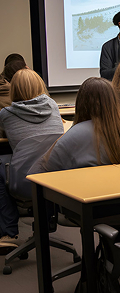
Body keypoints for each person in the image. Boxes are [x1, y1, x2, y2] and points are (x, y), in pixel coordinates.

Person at [32, 77, 120, 173]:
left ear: (81, 103)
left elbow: (39, 171)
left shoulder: (74, 134)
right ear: (113, 102)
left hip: (85, 198)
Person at [0, 69, 64, 246]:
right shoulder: (53, 106)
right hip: (56, 181)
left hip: (24, 183)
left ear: (14, 89)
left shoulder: (6, 114)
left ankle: (8, 233)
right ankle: (47, 222)